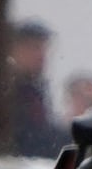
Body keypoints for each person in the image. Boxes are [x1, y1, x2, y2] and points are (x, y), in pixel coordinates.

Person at [6, 22, 62, 159]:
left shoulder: (35, 90)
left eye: (43, 49)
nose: (41, 56)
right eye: (34, 48)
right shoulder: (9, 92)